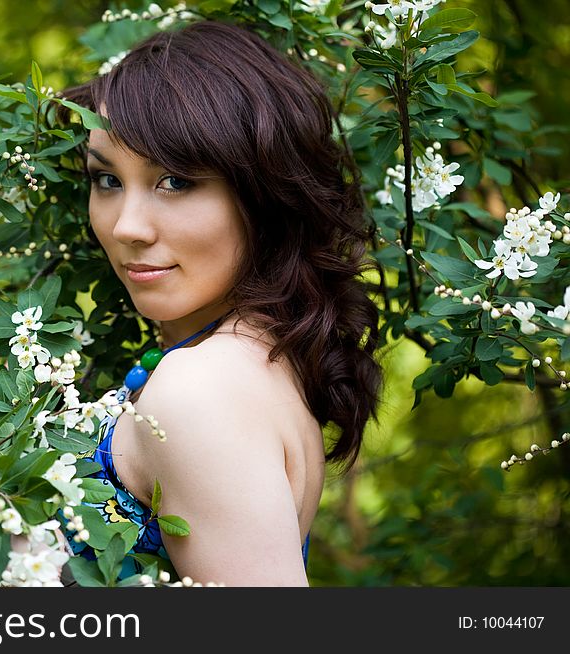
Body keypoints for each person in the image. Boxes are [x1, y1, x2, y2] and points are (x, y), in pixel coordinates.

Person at [55, 19, 384, 586]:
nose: (126, 226)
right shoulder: (251, 357)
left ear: (262, 194)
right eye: (106, 180)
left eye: (176, 181)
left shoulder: (200, 393)